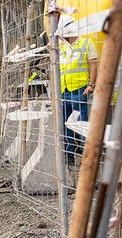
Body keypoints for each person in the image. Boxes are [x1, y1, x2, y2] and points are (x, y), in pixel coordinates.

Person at [58, 16, 98, 167]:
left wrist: (91, 84)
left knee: (81, 123)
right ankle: (69, 154)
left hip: (80, 90)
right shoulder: (62, 47)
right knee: (66, 123)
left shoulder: (86, 43)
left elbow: (93, 64)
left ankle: (84, 154)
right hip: (65, 90)